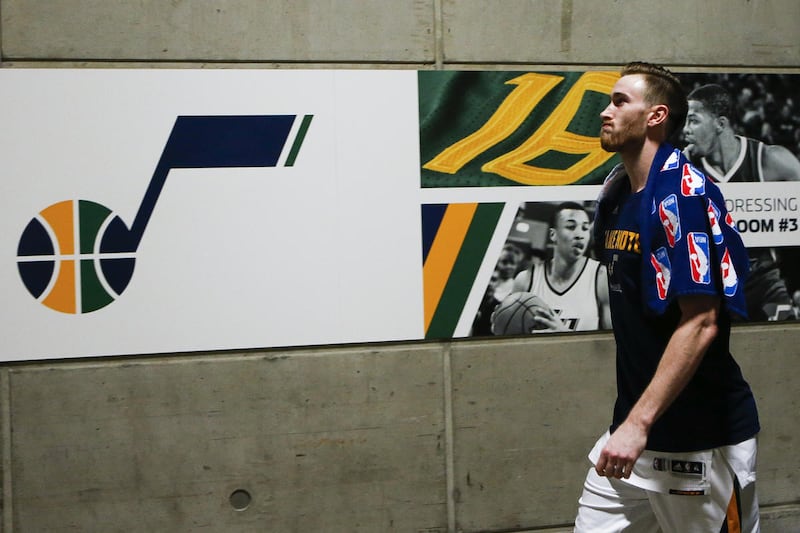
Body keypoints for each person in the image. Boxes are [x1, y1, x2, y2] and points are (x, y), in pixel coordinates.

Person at [574, 62, 760, 532]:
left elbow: (700, 323)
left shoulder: (687, 195)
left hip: (697, 441)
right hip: (631, 436)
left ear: (656, 116)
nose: (604, 111)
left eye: (619, 102)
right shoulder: (617, 193)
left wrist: (638, 425)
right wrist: (632, 426)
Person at [683, 82, 800, 321]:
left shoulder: (769, 159)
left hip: (765, 281)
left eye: (693, 121)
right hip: (713, 287)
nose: (685, 130)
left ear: (720, 124)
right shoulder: (685, 168)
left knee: (784, 339)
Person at [511, 202, 611, 332]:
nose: (579, 234)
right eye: (571, 227)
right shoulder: (525, 280)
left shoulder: (602, 278)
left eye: (585, 228)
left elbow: (611, 345)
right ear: (553, 235)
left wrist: (563, 336)